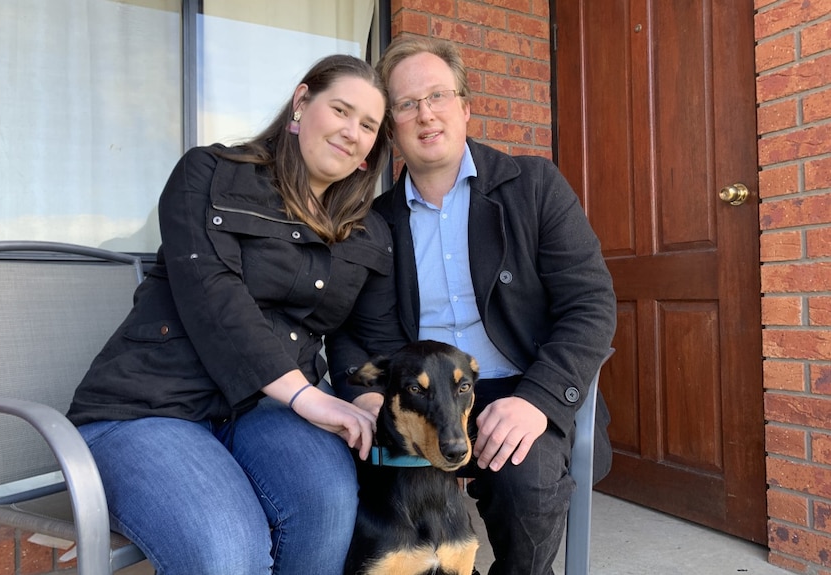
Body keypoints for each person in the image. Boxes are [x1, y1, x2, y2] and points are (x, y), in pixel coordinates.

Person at [66, 54, 406, 575]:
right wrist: (306, 396)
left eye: (368, 126)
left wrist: (368, 400)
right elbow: (213, 294)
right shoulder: (208, 173)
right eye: (341, 110)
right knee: (230, 550)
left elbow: (367, 337)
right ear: (301, 102)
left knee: (327, 504)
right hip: (149, 407)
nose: (351, 132)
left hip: (261, 415)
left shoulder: (368, 233)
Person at [328, 37, 617, 575]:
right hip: (417, 397)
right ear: (391, 127)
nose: (426, 114)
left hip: (523, 384)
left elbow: (591, 304)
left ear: (464, 106)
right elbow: (348, 331)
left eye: (437, 96)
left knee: (523, 475)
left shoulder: (534, 186)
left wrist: (538, 399)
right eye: (407, 104)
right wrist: (360, 394)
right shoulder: (371, 223)